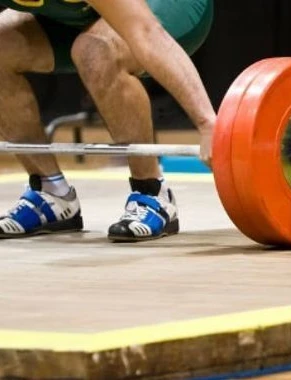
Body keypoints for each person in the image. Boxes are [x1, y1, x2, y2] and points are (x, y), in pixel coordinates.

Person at [0, 0, 215, 241]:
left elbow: (146, 31)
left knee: (96, 49)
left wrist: (208, 124)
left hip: (166, 6)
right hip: (80, 12)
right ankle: (52, 194)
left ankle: (153, 193)